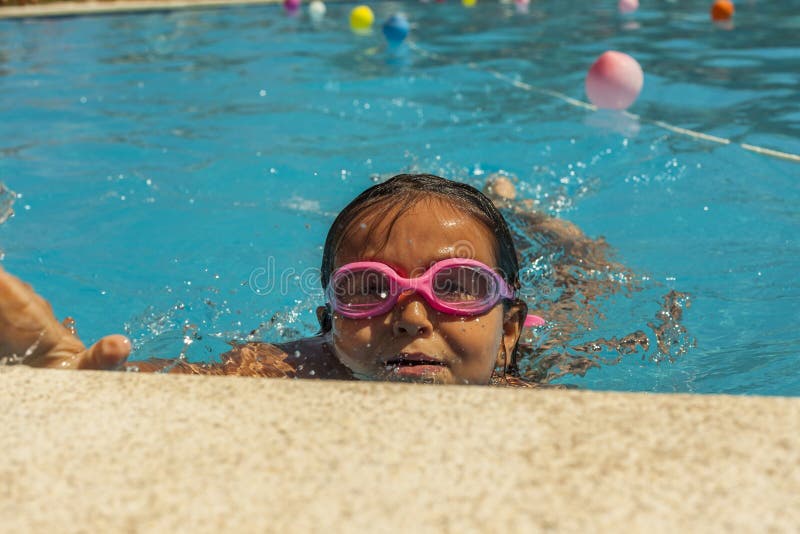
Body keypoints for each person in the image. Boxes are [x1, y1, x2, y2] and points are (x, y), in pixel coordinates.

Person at [0, 173, 629, 386]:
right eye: (367, 288)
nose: (411, 316)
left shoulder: (534, 380)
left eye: (458, 285)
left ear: (509, 329)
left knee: (587, 278)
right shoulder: (296, 367)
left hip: (545, 339)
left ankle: (538, 216)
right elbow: (178, 381)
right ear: (328, 323)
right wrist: (62, 368)